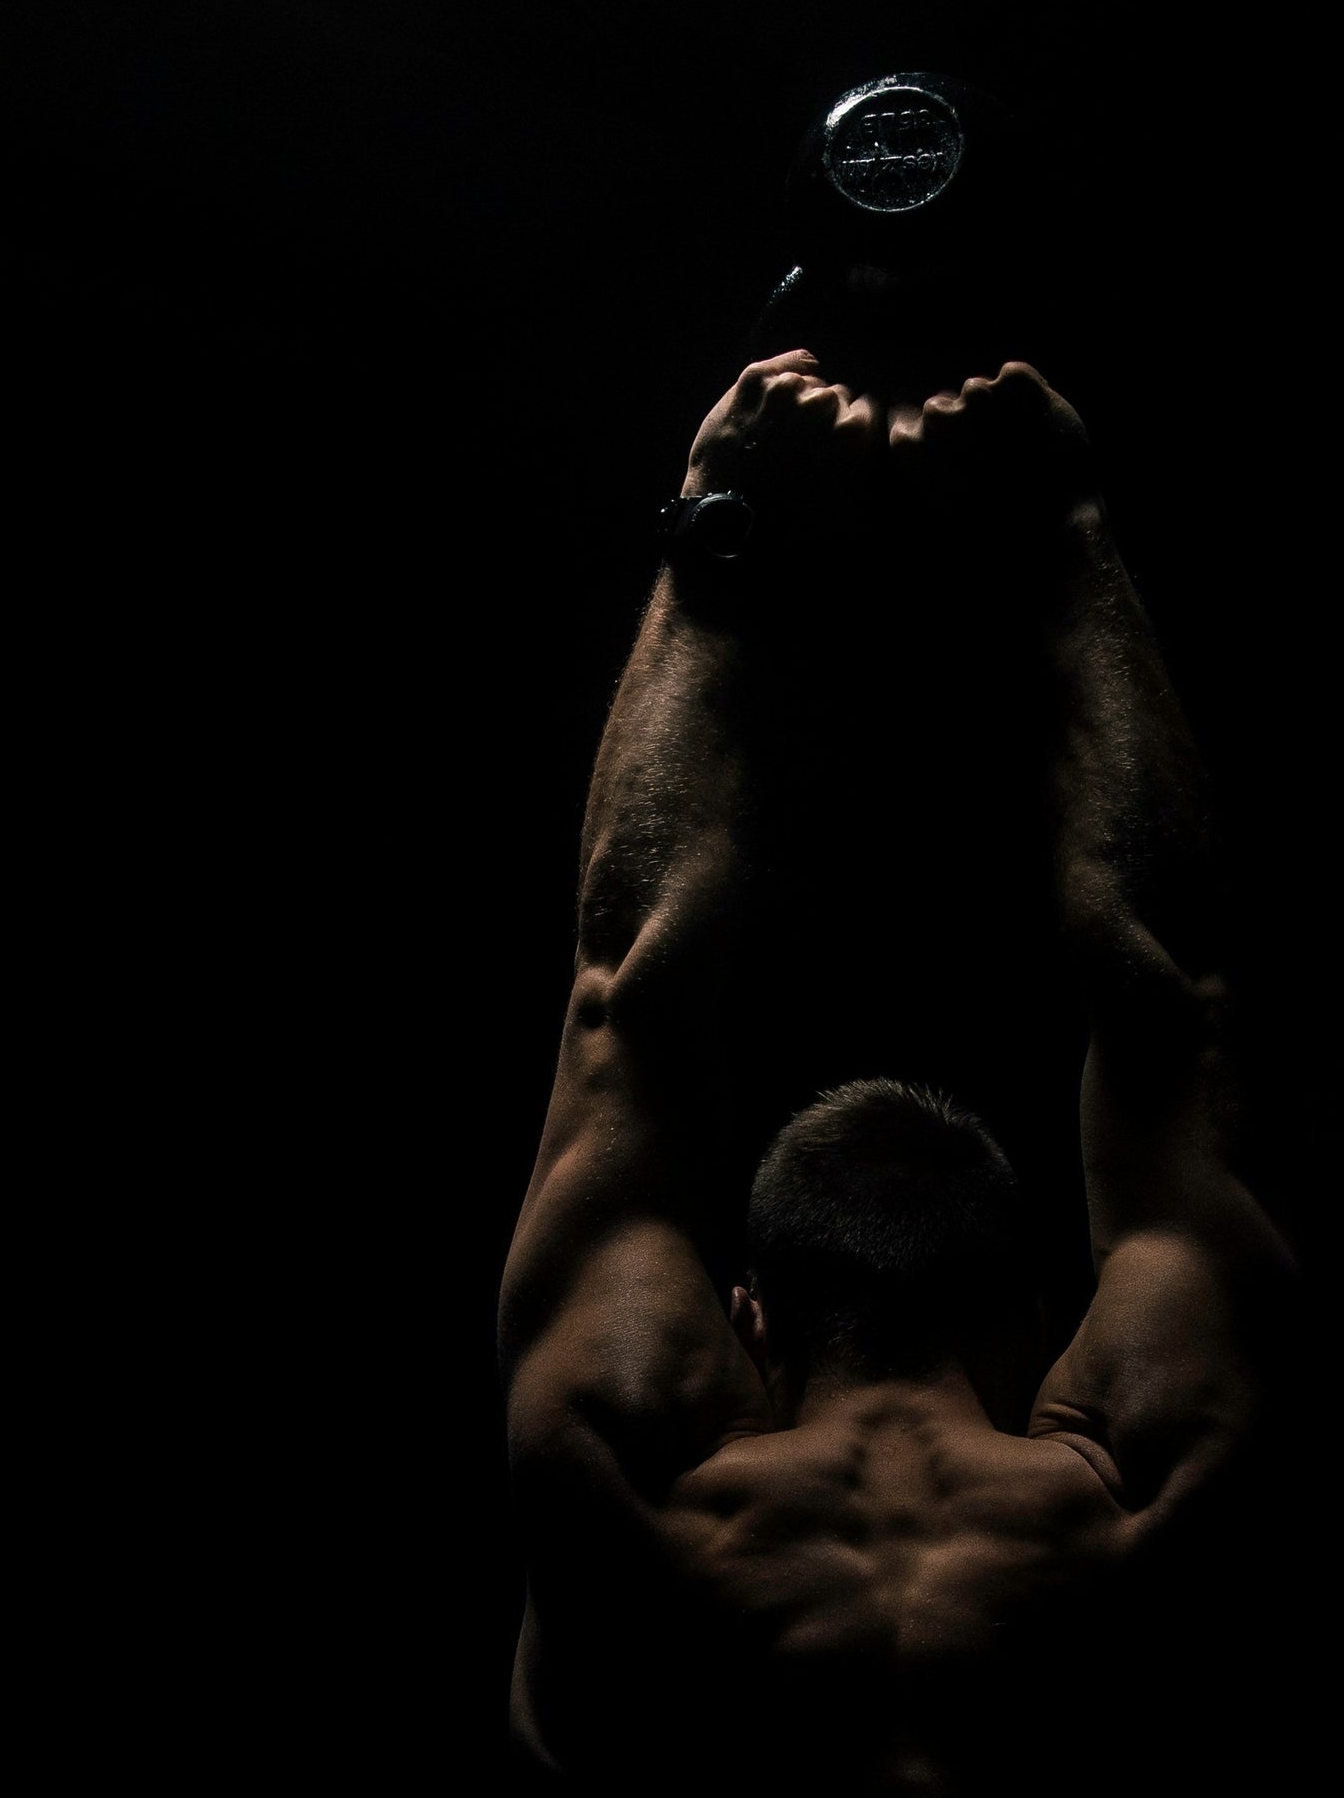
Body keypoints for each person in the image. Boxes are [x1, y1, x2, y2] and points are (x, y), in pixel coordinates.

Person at [494, 350, 1295, 1790]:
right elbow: (1171, 988)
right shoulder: (1149, 1509)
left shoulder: (623, 1502)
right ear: (1037, 1327)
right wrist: (1067, 527)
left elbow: (626, 995)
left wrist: (719, 519)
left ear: (749, 1326)